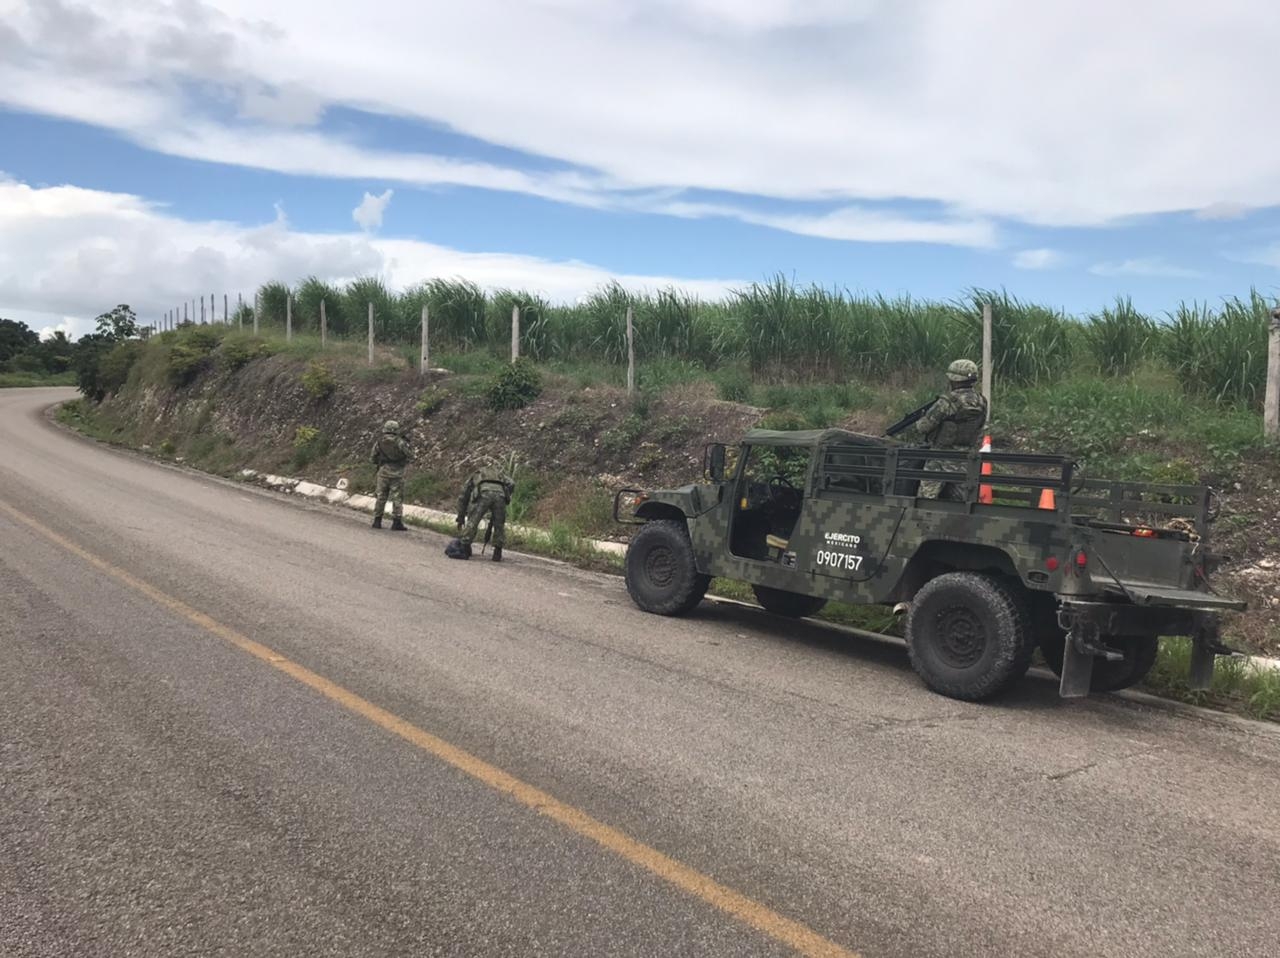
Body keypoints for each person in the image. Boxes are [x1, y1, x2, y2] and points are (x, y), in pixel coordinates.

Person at [913, 359, 987, 500]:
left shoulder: (947, 401)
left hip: (940, 458)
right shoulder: (981, 401)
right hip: (966, 459)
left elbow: (923, 427)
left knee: (926, 500)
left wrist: (922, 418)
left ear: (954, 379)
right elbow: (980, 426)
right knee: (962, 501)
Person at [446, 460, 515, 562]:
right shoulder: (499, 475)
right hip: (500, 495)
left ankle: (465, 548)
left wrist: (460, 518)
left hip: (483, 494)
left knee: (473, 521)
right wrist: (506, 495)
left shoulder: (476, 474)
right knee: (499, 525)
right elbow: (512, 483)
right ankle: (497, 553)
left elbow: (463, 497)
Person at [370, 419, 411, 531]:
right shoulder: (400, 442)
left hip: (383, 472)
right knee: (397, 498)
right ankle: (396, 522)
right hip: (397, 473)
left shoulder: (379, 441)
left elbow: (373, 457)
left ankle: (377, 521)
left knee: (381, 497)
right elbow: (409, 455)